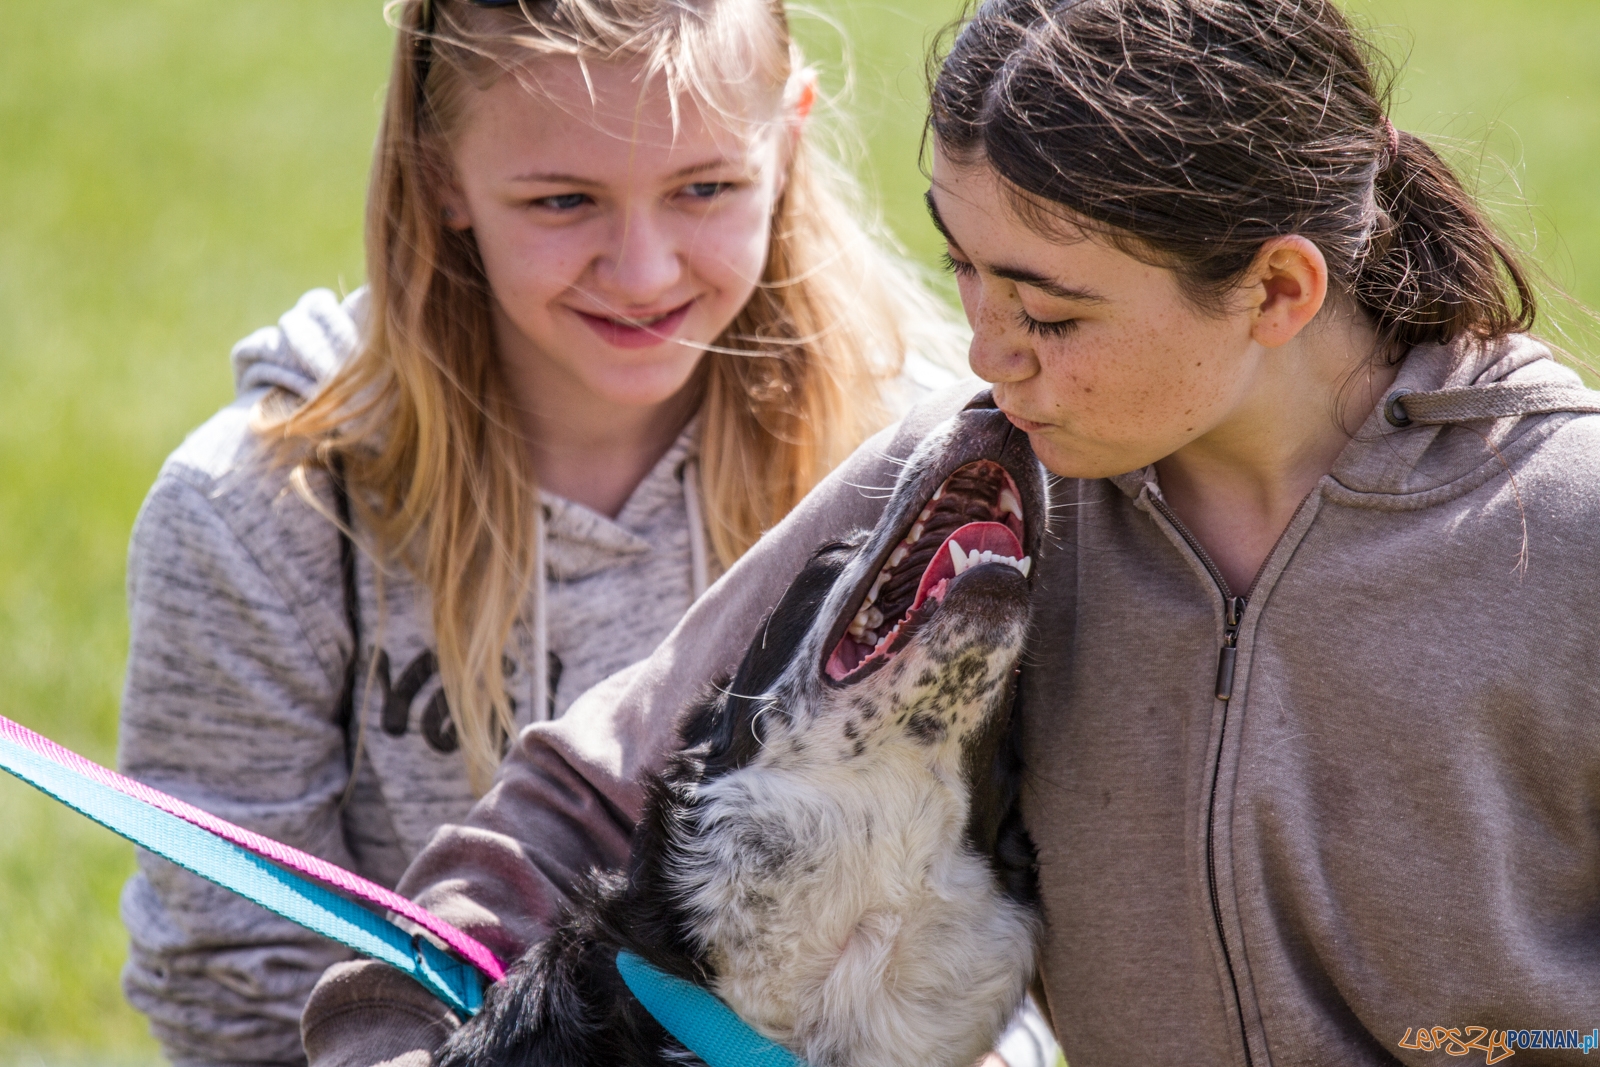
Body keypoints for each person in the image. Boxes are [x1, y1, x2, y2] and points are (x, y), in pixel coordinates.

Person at [298, 0, 1600, 1064]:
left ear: (1274, 286)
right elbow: (594, 795)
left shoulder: (1567, 531)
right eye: (964, 267)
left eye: (1052, 310)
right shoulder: (983, 482)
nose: (984, 351)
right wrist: (394, 1038)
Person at [112, 0, 1057, 1063]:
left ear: (787, 136)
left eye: (704, 188)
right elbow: (232, 979)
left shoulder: (932, 474)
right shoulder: (258, 513)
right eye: (563, 199)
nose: (645, 268)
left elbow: (1013, 894)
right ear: (439, 178)